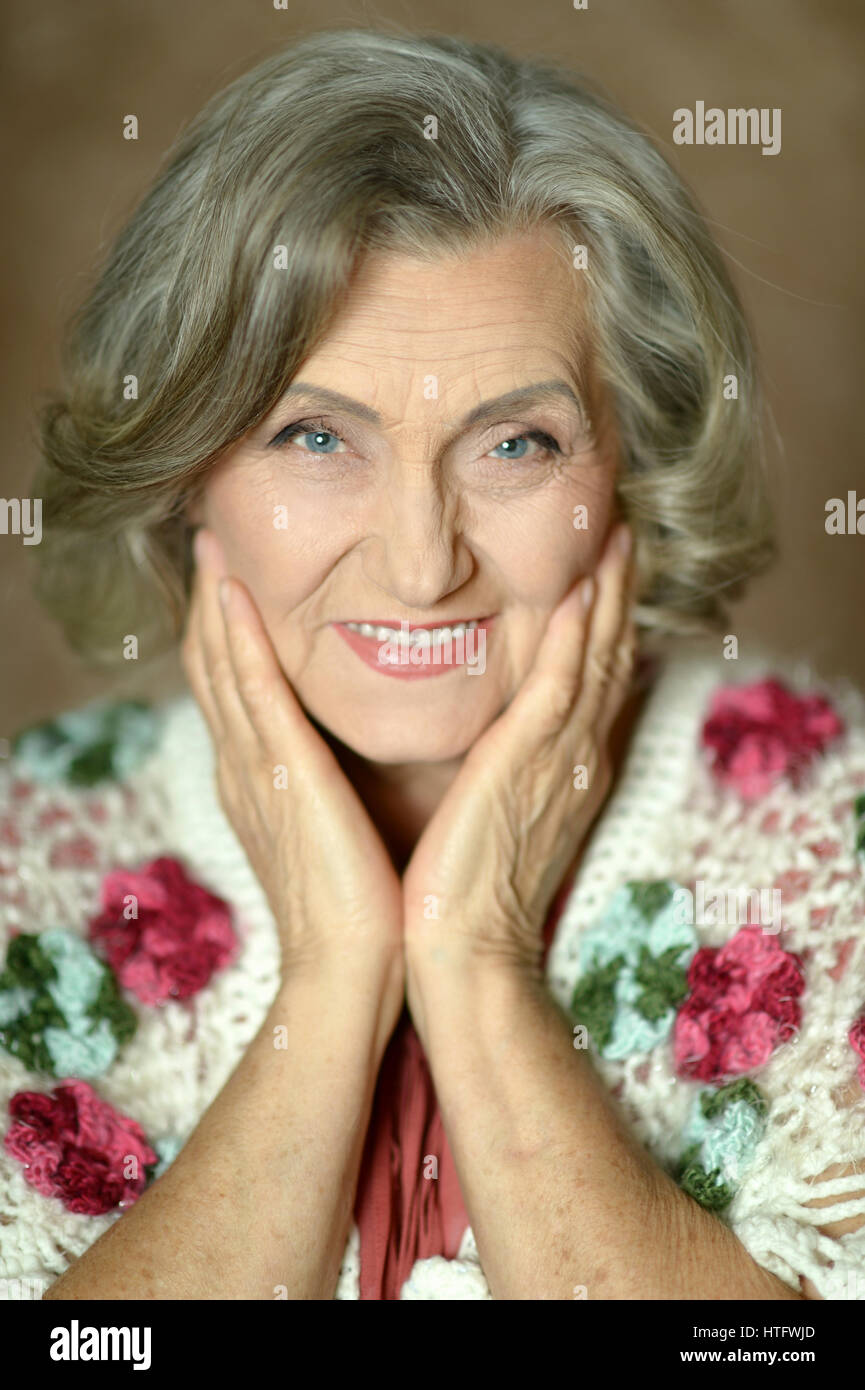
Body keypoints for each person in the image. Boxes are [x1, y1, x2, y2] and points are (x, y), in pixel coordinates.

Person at [1, 27, 863, 1302]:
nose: (419, 565)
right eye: (311, 435)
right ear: (183, 471)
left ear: (634, 459)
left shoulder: (835, 831)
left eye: (513, 444)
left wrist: (477, 956)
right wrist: (336, 969)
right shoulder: (26, 846)